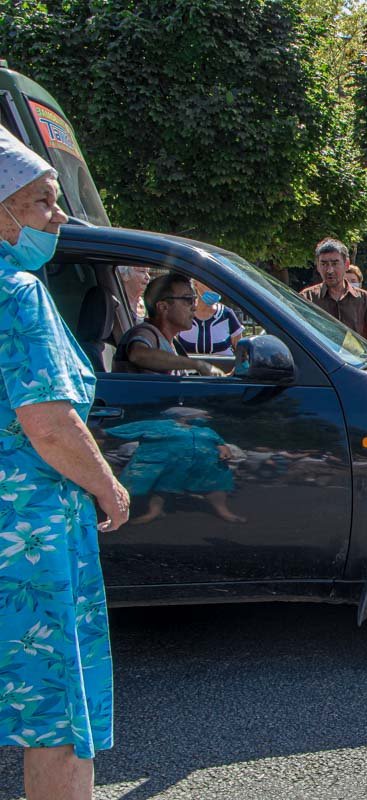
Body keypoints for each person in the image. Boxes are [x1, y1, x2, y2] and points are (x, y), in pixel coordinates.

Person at [0, 127, 130, 799]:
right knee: (54, 710)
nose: (59, 217)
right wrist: (109, 488)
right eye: (43, 201)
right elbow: (49, 425)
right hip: (32, 535)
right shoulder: (17, 291)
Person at [106, 407, 245, 524]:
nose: (207, 418)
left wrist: (224, 449)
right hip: (172, 463)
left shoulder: (206, 430)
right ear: (184, 416)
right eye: (203, 415)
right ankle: (154, 512)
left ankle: (224, 512)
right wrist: (99, 432)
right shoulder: (156, 425)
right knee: (163, 486)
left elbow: (219, 442)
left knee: (216, 486)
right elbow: (119, 431)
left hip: (208, 464)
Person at [114, 273, 226, 376]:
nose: (194, 307)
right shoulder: (146, 332)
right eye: (188, 300)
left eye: (194, 300)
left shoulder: (170, 342)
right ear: (163, 307)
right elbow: (138, 355)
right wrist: (197, 364)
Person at [301, 238, 367, 348]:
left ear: (346, 264)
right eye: (324, 264)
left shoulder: (365, 300)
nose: (330, 270)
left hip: (355, 359)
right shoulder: (306, 299)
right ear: (318, 267)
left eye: (335, 263)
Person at [178, 279, 243, 357]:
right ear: (195, 284)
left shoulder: (227, 314)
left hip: (222, 365)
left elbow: (242, 352)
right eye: (208, 283)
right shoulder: (182, 314)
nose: (214, 287)